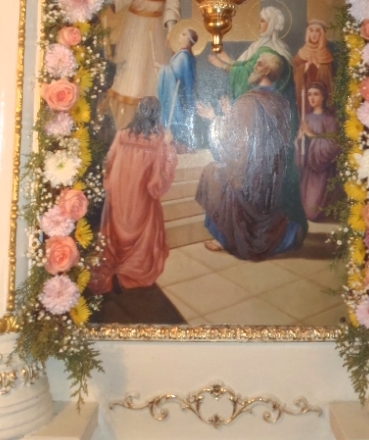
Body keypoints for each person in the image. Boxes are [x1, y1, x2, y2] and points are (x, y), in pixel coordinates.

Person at [195, 52, 306, 261]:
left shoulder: (249, 101)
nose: (253, 68)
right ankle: (287, 234)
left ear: (266, 70)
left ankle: (226, 238)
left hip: (250, 174)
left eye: (258, 65)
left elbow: (236, 143)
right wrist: (230, 115)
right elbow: (256, 134)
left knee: (212, 173)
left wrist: (214, 118)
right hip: (271, 176)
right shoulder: (279, 101)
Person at [89, 97, 177, 294]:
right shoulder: (158, 142)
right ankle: (132, 269)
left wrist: (111, 182)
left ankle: (115, 265)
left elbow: (109, 162)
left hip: (119, 194)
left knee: (116, 226)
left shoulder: (121, 135)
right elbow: (159, 180)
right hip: (141, 199)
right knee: (143, 222)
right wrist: (168, 145)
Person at [106, 0, 181, 129]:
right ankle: (126, 124)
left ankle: (150, 124)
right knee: (133, 73)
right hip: (135, 28)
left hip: (157, 31)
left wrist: (172, 31)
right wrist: (109, 2)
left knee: (153, 75)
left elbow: (172, 6)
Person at [294, 81, 340, 221]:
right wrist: (299, 140)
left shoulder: (330, 120)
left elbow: (333, 145)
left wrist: (311, 135)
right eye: (309, 95)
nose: (312, 98)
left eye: (315, 94)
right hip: (308, 170)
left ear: (323, 97)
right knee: (305, 211)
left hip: (322, 171)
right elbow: (300, 144)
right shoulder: (306, 118)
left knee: (313, 213)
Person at [156, 28, 198, 151]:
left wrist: (160, 67)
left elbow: (173, 74)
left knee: (176, 120)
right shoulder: (184, 54)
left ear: (188, 40)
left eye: (183, 34)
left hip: (178, 96)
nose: (180, 35)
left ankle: (178, 147)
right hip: (181, 94)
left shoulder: (183, 56)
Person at [293, 20, 334, 119]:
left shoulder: (326, 54)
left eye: (317, 31)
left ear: (321, 34)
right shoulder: (302, 53)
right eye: (311, 31)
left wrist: (319, 66)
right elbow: (294, 72)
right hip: (305, 96)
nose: (314, 34)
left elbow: (331, 78)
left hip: (321, 97)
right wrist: (306, 66)